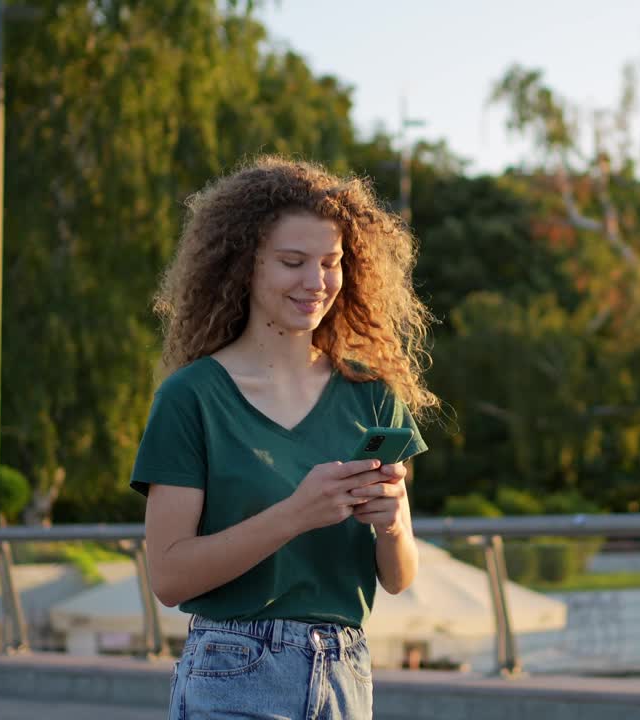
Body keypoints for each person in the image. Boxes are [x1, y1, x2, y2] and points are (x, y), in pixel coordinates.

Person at [130, 156, 438, 720]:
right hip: (232, 670)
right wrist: (298, 512)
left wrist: (392, 523)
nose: (316, 283)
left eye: (331, 262)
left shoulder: (371, 393)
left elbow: (398, 577)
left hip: (346, 676)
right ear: (246, 265)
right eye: (293, 262)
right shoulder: (190, 398)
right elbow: (169, 577)